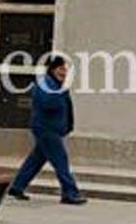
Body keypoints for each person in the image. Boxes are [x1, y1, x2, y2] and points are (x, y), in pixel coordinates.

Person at [8, 54, 88, 205]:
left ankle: (17, 187)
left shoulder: (56, 84)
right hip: (47, 129)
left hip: (52, 129)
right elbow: (48, 104)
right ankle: (70, 193)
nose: (64, 72)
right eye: (60, 68)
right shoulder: (47, 83)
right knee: (61, 161)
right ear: (52, 69)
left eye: (65, 69)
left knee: (36, 160)